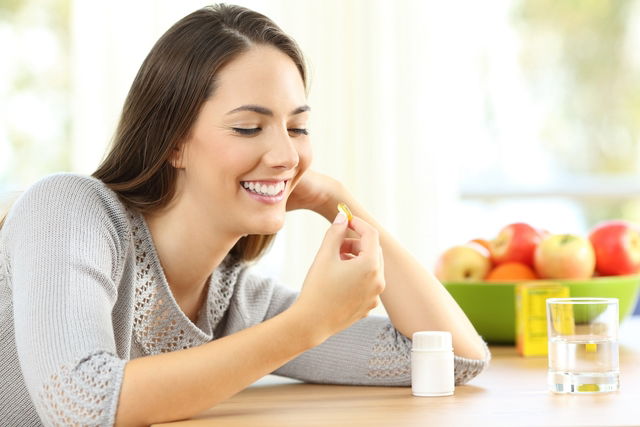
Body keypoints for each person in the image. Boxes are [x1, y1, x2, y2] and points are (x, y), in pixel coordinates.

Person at [0, 4, 490, 426]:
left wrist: (336, 201)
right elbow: (78, 403)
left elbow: (454, 359)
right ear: (173, 143)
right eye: (249, 127)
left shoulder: (237, 303)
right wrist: (307, 324)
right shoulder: (66, 211)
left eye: (298, 128)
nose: (285, 154)